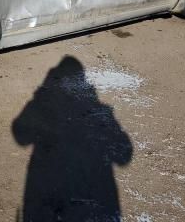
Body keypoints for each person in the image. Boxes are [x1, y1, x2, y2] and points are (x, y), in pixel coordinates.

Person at [12, 56, 133, 221]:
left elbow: (20, 136)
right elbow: (124, 157)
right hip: (92, 198)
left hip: (43, 183)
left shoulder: (38, 103)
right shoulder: (102, 111)